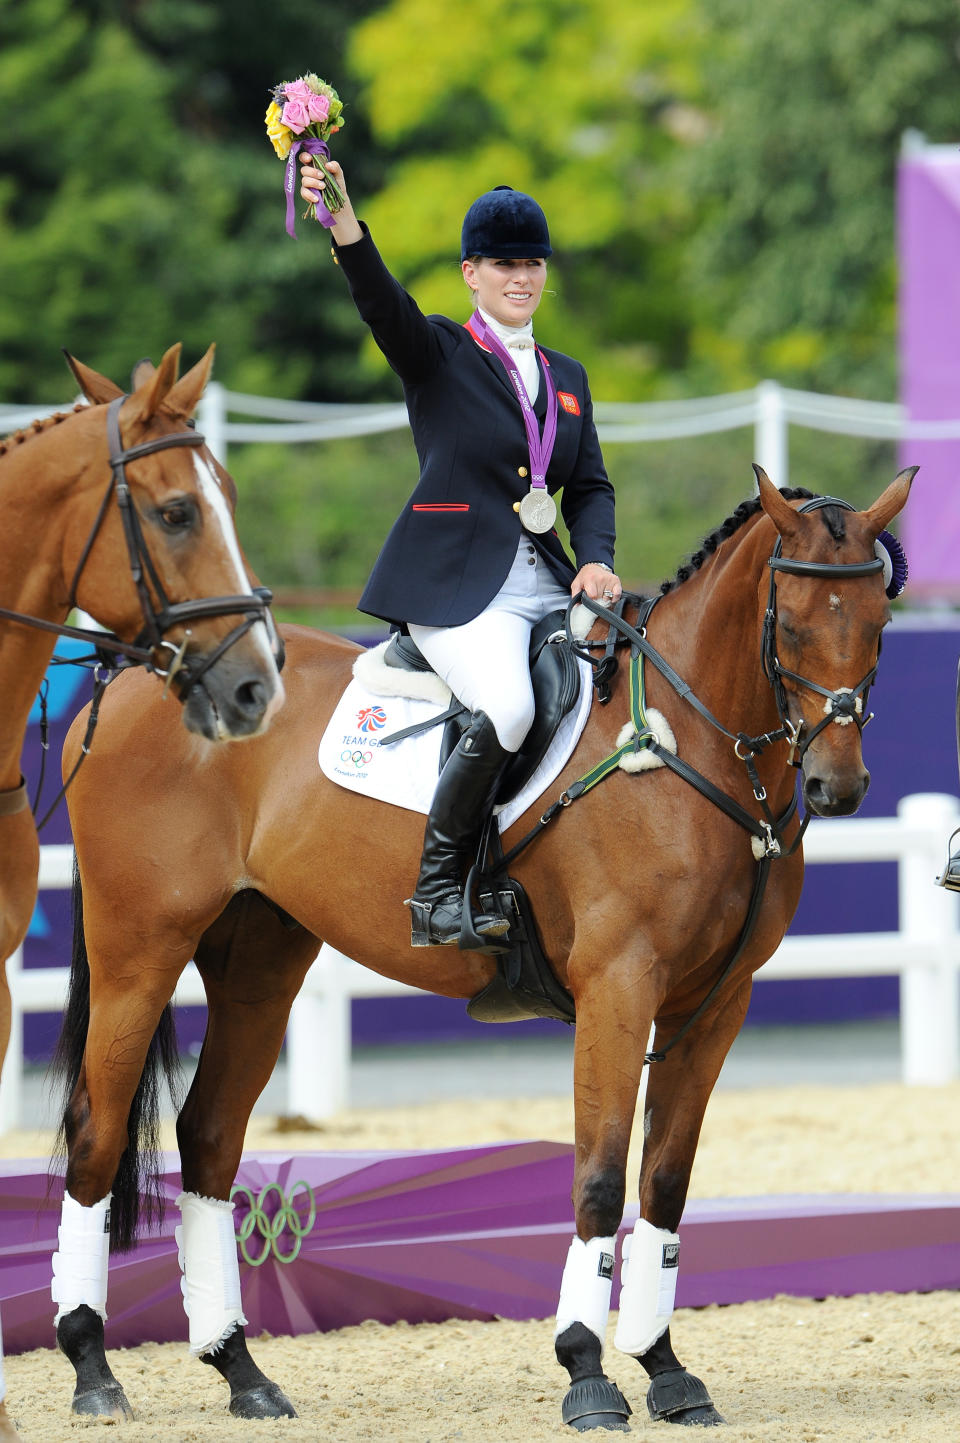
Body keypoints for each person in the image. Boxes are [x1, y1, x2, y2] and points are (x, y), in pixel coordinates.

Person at [300, 155, 622, 947]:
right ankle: (439, 890)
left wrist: (598, 556)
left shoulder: (568, 377)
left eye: (533, 263)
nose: (522, 277)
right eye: (506, 264)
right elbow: (382, 305)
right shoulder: (439, 353)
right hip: (458, 592)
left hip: (550, 587)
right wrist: (345, 224)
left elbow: (589, 488)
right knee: (509, 705)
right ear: (471, 273)